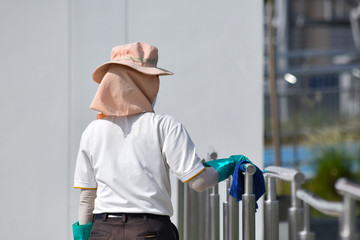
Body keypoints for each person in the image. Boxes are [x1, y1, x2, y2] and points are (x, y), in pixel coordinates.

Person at [72, 42, 225, 240]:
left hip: (103, 231)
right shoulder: (165, 125)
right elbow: (200, 181)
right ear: (144, 82)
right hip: (149, 231)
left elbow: (87, 198)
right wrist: (229, 165)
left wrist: (83, 236)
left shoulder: (92, 131)